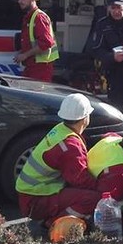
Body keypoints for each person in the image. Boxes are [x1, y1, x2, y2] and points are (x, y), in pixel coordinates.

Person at [15, 93, 100, 236]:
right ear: (85, 118)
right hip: (36, 200)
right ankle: (55, 223)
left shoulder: (61, 129)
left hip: (31, 195)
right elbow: (80, 179)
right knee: (92, 199)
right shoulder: (70, 145)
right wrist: (102, 189)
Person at [14, 0, 58, 82]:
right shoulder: (30, 17)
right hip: (33, 66)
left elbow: (46, 43)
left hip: (40, 68)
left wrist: (25, 55)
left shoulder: (39, 17)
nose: (19, 1)